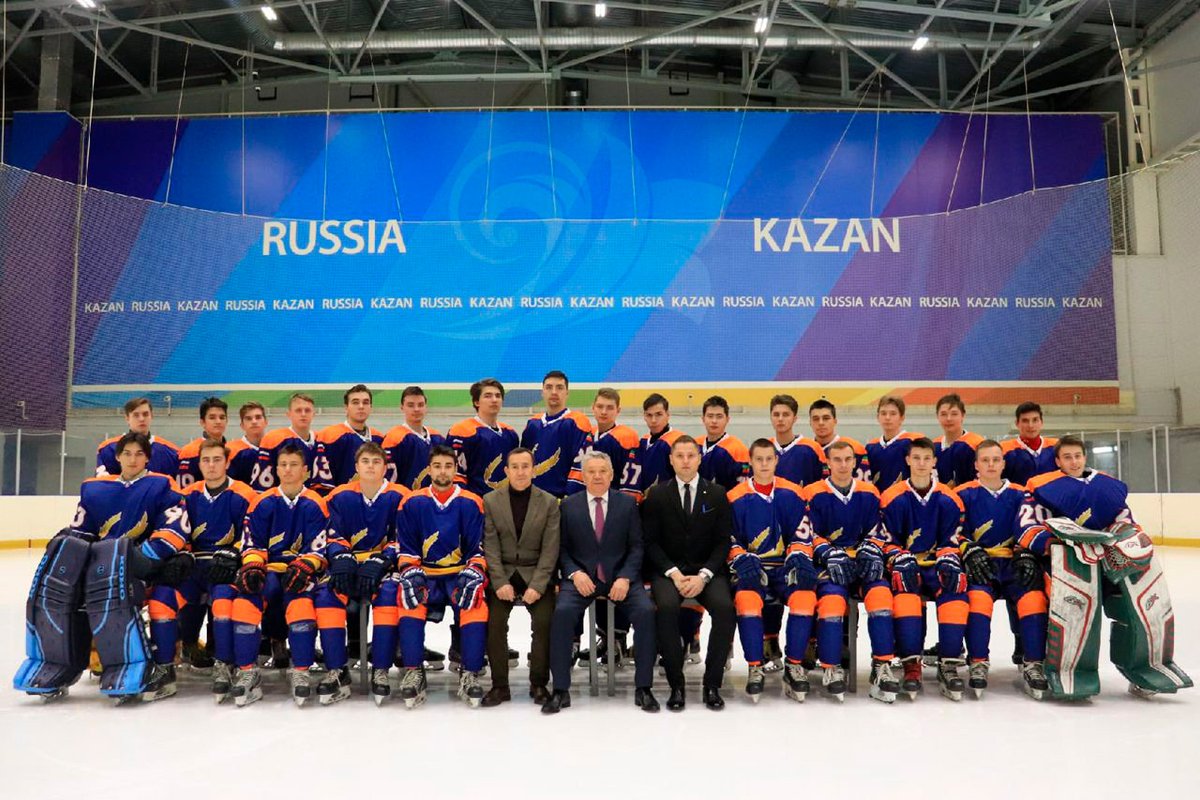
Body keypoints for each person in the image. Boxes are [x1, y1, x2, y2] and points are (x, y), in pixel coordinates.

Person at [1017, 435, 1192, 700]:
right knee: (1076, 611)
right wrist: (1054, 543)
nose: (1074, 462)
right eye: (1067, 457)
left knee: (1141, 605)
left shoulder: (1107, 486)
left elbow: (1126, 521)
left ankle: (1144, 665)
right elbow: (1027, 527)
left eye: (1077, 456)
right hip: (1068, 563)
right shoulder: (1041, 487)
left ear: (1085, 457)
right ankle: (1070, 669)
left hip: (1110, 559)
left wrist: (1128, 540)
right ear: (1057, 461)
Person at [543, 451, 659, 714]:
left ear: (611, 475)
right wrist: (575, 573)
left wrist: (625, 577)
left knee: (645, 612)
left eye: (602, 471)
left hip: (621, 578)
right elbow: (561, 549)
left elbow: (636, 546)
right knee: (561, 613)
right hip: (581, 579)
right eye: (591, 471)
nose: (597, 476)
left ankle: (644, 687)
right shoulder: (568, 506)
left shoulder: (627, 504)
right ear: (583, 476)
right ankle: (560, 689)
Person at [148, 438, 257, 702]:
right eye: (206, 460)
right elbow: (176, 531)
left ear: (227, 463)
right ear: (199, 464)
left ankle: (224, 664)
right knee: (161, 600)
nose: (211, 465)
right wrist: (182, 552)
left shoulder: (245, 494)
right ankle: (165, 668)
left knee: (223, 604)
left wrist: (234, 553)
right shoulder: (187, 496)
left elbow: (253, 535)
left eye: (217, 460)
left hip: (225, 568)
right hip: (194, 568)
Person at [802, 440, 901, 703]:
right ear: (828, 463)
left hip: (862, 562)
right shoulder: (812, 493)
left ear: (855, 462)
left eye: (848, 459)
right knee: (832, 601)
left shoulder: (870, 493)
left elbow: (879, 530)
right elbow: (807, 533)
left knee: (881, 595)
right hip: (829, 564)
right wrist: (827, 552)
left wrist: (871, 548)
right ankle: (831, 665)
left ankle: (881, 665)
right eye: (837, 459)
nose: (843, 465)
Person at [642, 435, 736, 711]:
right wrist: (673, 573)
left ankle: (712, 684)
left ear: (699, 459)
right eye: (679, 456)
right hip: (669, 572)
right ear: (670, 460)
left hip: (707, 572)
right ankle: (676, 685)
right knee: (666, 608)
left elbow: (722, 542)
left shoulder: (717, 494)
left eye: (690, 455)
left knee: (725, 609)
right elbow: (650, 542)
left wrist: (703, 575)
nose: (685, 461)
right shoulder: (657, 495)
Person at [231, 444, 329, 707]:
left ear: (305, 470)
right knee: (243, 604)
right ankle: (247, 671)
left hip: (301, 571)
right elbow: (251, 543)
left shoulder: (316, 503)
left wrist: (306, 565)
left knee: (301, 607)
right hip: (269, 570)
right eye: (283, 464)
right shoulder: (262, 502)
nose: (288, 469)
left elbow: (319, 547)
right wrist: (252, 565)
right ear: (276, 470)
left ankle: (301, 670)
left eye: (294, 464)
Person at [313, 442, 411, 705]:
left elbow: (405, 536)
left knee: (389, 593)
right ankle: (337, 669)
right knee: (327, 593)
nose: (370, 466)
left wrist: (383, 559)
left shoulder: (401, 496)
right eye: (365, 461)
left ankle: (381, 668)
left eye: (376, 462)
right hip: (348, 565)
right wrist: (341, 557)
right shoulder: (339, 496)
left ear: (385, 468)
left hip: (383, 567)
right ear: (356, 467)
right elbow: (329, 534)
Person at [393, 445, 489, 708]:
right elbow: (406, 547)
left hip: (458, 574)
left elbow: (477, 548)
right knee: (408, 600)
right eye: (437, 466)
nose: (442, 471)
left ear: (456, 470)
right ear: (429, 469)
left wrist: (474, 570)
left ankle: (470, 672)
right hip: (425, 574)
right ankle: (414, 670)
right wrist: (410, 571)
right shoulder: (412, 502)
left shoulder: (471, 502)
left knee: (475, 604)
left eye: (448, 466)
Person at [953, 440, 1049, 700]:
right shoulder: (962, 494)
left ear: (1004, 463)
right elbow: (952, 532)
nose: (991, 465)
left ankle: (1034, 662)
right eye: (985, 460)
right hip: (981, 563)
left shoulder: (1021, 494)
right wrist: (969, 549)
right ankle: (978, 661)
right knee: (978, 602)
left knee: (1033, 600)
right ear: (976, 465)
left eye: (996, 459)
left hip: (1013, 563)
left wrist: (1026, 553)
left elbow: (1032, 528)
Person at [879, 437, 968, 701]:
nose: (921, 463)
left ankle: (948, 663)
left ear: (934, 461)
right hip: (906, 564)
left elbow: (953, 538)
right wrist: (898, 557)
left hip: (936, 564)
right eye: (916, 458)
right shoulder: (891, 497)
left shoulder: (950, 498)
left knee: (955, 595)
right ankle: (911, 664)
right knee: (906, 599)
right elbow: (885, 540)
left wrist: (949, 558)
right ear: (907, 460)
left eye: (926, 458)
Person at [725, 439, 811, 703]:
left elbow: (802, 533)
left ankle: (794, 665)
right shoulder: (735, 496)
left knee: (805, 598)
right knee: (746, 600)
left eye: (769, 459)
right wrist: (740, 557)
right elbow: (728, 538)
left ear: (776, 460)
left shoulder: (794, 493)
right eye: (758, 459)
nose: (764, 464)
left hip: (783, 567)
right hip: (753, 569)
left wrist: (798, 555)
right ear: (750, 462)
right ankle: (755, 666)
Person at [481, 448, 561, 706]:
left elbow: (551, 549)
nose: (520, 472)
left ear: (534, 470)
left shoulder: (549, 502)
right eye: (514, 467)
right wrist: (499, 581)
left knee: (544, 622)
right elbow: (490, 547)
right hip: (503, 572)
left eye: (525, 466)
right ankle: (499, 686)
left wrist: (538, 585)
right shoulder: (491, 501)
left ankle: (538, 683)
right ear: (506, 471)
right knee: (494, 623)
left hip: (536, 571)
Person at [522, 370, 593, 498]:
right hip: (532, 498)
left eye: (559, 388)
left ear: (567, 393)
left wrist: (571, 496)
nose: (554, 392)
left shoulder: (578, 422)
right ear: (542, 392)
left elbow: (582, 464)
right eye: (549, 387)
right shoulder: (532, 424)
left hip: (562, 499)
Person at [448, 378, 519, 496]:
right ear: (477, 402)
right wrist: (467, 501)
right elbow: (456, 475)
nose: (494, 400)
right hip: (476, 501)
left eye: (498, 396)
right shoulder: (462, 431)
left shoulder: (510, 433)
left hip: (505, 501)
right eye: (488, 396)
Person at [253, 393, 327, 491]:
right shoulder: (274, 439)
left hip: (314, 498)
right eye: (298, 410)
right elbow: (263, 483)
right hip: (283, 497)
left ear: (314, 414)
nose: (303, 414)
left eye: (307, 410)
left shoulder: (322, 440)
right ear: (289, 414)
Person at [316, 384, 384, 489]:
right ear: (346, 407)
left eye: (365, 402)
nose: (361, 406)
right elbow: (322, 484)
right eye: (355, 402)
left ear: (371, 407)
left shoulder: (379, 438)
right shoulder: (329, 436)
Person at [96, 397, 180, 478]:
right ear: (127, 418)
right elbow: (103, 483)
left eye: (145, 414)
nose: (141, 419)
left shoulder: (171, 452)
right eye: (136, 415)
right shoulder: (108, 449)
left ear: (151, 416)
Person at [383, 386, 445, 490]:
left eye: (420, 405)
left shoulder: (438, 438)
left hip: (434, 497)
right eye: (410, 405)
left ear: (426, 407)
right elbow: (388, 479)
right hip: (406, 497)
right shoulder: (394, 438)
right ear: (402, 407)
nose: (416, 409)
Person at [627, 392, 684, 500]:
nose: (653, 420)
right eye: (649, 415)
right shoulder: (643, 442)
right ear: (644, 416)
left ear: (668, 415)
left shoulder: (677, 442)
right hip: (645, 502)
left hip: (669, 502)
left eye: (658, 414)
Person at [589, 387, 641, 497]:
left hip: (614, 500)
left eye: (610, 408)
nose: (604, 412)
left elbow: (631, 479)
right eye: (600, 406)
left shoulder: (626, 437)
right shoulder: (588, 435)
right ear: (593, 408)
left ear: (618, 410)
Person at [866, 395, 924, 491]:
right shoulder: (870, 447)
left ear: (902, 417)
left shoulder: (913, 442)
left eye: (893, 414)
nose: (887, 417)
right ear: (878, 417)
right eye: (883, 413)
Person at [768, 394, 826, 487]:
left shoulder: (812, 448)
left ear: (794, 418)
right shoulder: (764, 448)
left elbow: (824, 485)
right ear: (771, 417)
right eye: (776, 414)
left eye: (786, 415)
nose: (780, 419)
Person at [808, 399, 870, 482]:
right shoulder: (805, 450)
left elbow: (863, 486)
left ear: (835, 421)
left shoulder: (856, 449)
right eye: (816, 419)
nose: (821, 423)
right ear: (810, 423)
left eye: (826, 418)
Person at [176, 397, 230, 489]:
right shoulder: (189, 452)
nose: (218, 421)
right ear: (202, 422)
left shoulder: (233, 449)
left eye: (222, 417)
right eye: (212, 418)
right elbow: (184, 491)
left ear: (227, 421)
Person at [698, 395, 750, 491]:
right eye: (710, 416)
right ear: (703, 419)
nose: (714, 421)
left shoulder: (739, 450)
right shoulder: (695, 445)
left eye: (719, 417)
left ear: (727, 419)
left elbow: (744, 486)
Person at [1001, 401, 1059, 485]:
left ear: (1041, 422)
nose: (1030, 425)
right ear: (1017, 423)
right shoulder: (1004, 450)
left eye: (1035, 420)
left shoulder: (1057, 446)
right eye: (1025, 421)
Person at [933, 393, 983, 488]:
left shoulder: (977, 444)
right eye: (943, 414)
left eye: (954, 414)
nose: (949, 419)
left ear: (962, 415)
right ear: (937, 416)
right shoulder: (934, 446)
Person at [229, 401, 268, 485]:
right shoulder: (231, 451)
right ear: (242, 425)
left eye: (258, 417)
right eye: (248, 418)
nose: (254, 421)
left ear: (266, 422)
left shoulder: (275, 448)